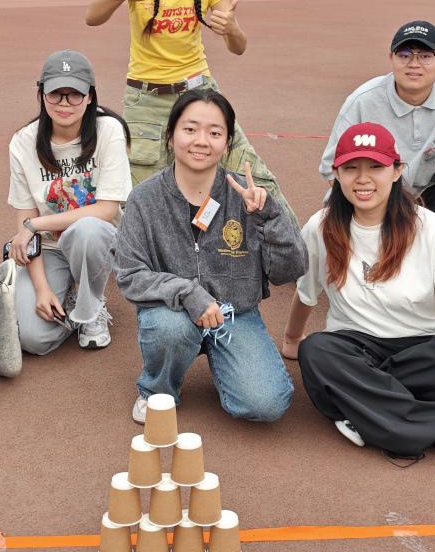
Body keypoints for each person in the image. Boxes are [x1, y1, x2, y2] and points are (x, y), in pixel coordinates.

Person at [284, 122, 435, 464]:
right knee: (316, 351)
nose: (363, 179)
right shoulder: (321, 226)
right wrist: (292, 338)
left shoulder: (430, 226)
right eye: (351, 168)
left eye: (375, 167)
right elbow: (306, 291)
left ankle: (364, 404)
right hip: (356, 347)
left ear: (396, 171)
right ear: (337, 174)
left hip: (425, 348)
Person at [84, 0, 297, 228]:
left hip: (199, 93)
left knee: (252, 172)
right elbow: (92, 17)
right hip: (146, 98)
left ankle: (291, 243)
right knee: (139, 195)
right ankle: (142, 254)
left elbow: (238, 46)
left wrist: (231, 28)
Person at [115, 89, 307, 424]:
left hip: (234, 315)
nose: (201, 141)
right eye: (190, 129)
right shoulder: (144, 199)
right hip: (172, 310)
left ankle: (224, 361)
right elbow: (130, 274)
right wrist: (188, 293)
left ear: (228, 143)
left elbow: (290, 270)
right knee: (169, 328)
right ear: (170, 135)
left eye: (215, 133)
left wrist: (269, 219)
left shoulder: (247, 197)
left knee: (265, 405)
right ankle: (157, 389)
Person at [320, 20, 435, 249]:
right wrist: (373, 202)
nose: (414, 64)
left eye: (426, 56)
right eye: (404, 55)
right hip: (370, 200)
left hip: (422, 200)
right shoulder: (363, 100)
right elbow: (331, 169)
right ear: (391, 58)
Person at [8, 50, 132, 354]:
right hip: (51, 248)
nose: (64, 104)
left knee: (88, 229)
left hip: (98, 240)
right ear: (41, 94)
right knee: (33, 339)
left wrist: (35, 224)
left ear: (89, 97)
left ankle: (92, 306)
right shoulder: (23, 142)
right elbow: (25, 224)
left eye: (74, 94)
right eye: (56, 94)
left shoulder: (108, 130)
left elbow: (107, 210)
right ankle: (73, 301)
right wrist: (41, 289)